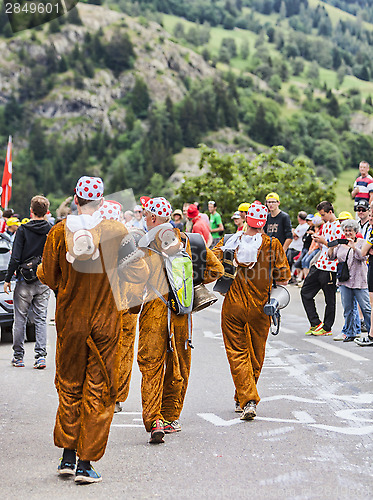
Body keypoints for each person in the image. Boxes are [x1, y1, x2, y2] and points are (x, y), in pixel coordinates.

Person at [37, 177, 146, 484]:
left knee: (69, 384)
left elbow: (48, 274)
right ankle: (86, 464)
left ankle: (67, 457)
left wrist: (70, 288)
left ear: (75, 198)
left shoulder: (59, 231)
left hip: (70, 320)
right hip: (105, 322)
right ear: (101, 200)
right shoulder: (115, 231)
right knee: (99, 389)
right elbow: (137, 272)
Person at [136, 197, 224, 443]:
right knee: (178, 365)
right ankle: (170, 417)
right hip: (180, 312)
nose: (144, 218)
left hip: (154, 310)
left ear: (153, 218)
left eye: (146, 215)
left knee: (151, 365)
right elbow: (216, 270)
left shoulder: (143, 243)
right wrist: (189, 284)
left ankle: (154, 420)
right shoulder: (189, 241)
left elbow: (133, 281)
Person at [213, 201, 290, 419]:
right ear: (264, 222)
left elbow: (210, 264)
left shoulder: (228, 242)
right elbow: (283, 277)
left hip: (232, 306)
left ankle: (244, 397)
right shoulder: (273, 244)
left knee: (237, 353)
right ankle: (247, 399)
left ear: (246, 219)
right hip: (261, 308)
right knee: (256, 355)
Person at [4, 196, 51, 368]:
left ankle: (18, 357)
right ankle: (40, 357)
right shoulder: (50, 229)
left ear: (31, 210)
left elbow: (15, 257)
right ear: (46, 212)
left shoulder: (23, 229)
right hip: (43, 280)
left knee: (20, 319)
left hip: (24, 280)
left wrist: (8, 279)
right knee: (40, 319)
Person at [301, 201, 342, 336]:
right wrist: (318, 240)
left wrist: (324, 241)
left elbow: (336, 246)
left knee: (329, 299)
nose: (322, 217)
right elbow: (323, 245)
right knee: (305, 292)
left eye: (323, 215)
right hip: (319, 263)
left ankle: (327, 327)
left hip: (331, 266)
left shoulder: (338, 227)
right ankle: (315, 323)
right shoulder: (325, 226)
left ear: (330, 212)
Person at [328, 219, 371, 342]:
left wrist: (354, 247)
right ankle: (349, 332)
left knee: (366, 308)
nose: (347, 233)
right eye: (346, 231)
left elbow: (362, 257)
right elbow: (331, 257)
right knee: (348, 309)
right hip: (344, 281)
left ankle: (371, 332)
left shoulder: (362, 242)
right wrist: (331, 247)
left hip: (359, 280)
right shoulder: (341, 244)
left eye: (350, 231)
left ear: (355, 231)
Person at [286, 211, 308, 275]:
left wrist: (293, 231)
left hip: (297, 248)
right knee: (289, 262)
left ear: (299, 218)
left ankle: (292, 276)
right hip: (293, 246)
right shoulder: (300, 225)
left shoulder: (304, 226)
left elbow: (294, 234)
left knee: (292, 263)